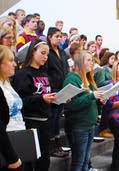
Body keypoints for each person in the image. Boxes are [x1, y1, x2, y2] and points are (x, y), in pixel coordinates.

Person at [12, 40, 57, 171]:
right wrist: (41, 99)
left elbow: (45, 95)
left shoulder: (45, 74)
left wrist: (57, 98)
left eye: (47, 53)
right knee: (28, 160)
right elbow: (21, 101)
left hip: (45, 120)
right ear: (33, 52)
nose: (46, 57)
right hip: (30, 121)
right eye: (43, 53)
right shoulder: (23, 74)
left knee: (44, 158)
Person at [63, 50, 105, 171]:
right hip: (78, 126)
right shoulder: (72, 78)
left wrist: (100, 99)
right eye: (88, 60)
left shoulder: (88, 78)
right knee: (78, 162)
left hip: (88, 124)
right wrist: (92, 96)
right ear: (80, 61)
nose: (91, 62)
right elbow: (71, 104)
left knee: (85, 161)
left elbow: (90, 101)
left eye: (92, 60)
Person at [46, 27, 69, 157]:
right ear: (49, 37)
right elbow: (47, 70)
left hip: (62, 87)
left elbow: (65, 69)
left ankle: (57, 145)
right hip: (53, 87)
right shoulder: (47, 52)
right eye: (57, 36)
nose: (59, 38)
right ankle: (52, 146)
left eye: (60, 36)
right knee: (52, 117)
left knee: (58, 115)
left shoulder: (61, 51)